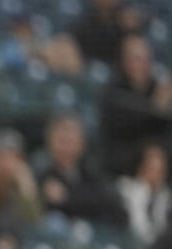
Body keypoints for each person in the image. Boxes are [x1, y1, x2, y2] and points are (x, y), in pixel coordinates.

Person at [100, 35, 172, 178]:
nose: (141, 65)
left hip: (161, 172)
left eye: (146, 60)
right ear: (123, 61)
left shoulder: (156, 88)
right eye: (136, 59)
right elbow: (129, 117)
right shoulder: (114, 90)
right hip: (122, 171)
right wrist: (156, 107)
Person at [38, 113, 127, 228]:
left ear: (81, 144)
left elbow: (115, 208)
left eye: (71, 141)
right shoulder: (43, 177)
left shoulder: (93, 173)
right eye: (62, 141)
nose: (66, 147)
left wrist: (67, 198)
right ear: (50, 143)